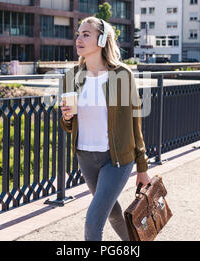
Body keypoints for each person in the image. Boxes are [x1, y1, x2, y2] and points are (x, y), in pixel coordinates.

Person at [60, 16, 150, 241]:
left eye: (86, 34)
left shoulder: (121, 75)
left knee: (92, 221)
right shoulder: (72, 77)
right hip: (85, 156)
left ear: (101, 40)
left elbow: (134, 122)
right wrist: (67, 116)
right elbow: (67, 125)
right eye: (78, 34)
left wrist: (142, 167)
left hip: (117, 159)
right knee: (113, 213)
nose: (79, 39)